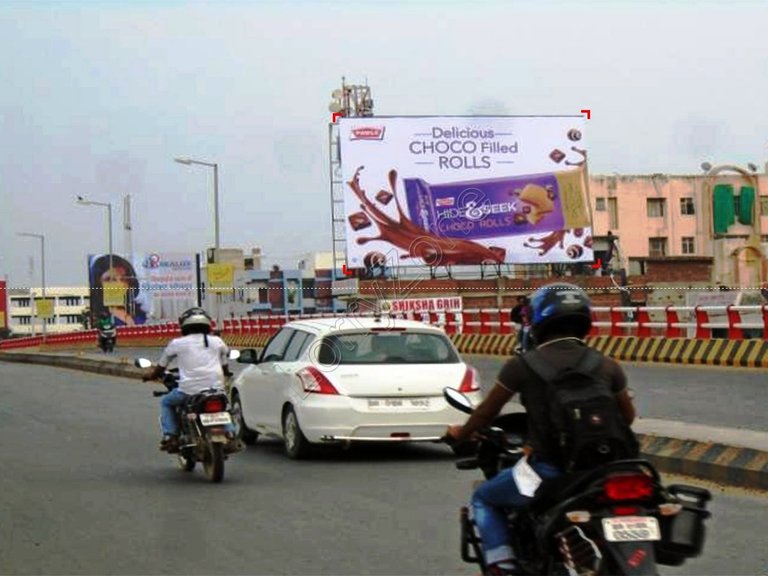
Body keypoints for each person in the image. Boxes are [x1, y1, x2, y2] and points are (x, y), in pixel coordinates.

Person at [446, 283, 636, 576]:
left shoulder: (522, 366)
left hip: (550, 472)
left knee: (484, 497)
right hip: (605, 470)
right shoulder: (607, 365)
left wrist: (463, 433)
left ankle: (503, 565)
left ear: (537, 321)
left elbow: (487, 412)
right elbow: (628, 417)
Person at [144, 307, 234, 452]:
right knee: (225, 406)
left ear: (184, 325)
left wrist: (151, 376)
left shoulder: (177, 344)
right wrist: (226, 373)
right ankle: (230, 432)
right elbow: (225, 365)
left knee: (166, 402)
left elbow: (161, 366)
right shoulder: (217, 341)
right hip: (215, 388)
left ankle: (171, 436)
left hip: (188, 391)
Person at [88, 254, 147, 327]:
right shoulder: (95, 319)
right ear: (98, 284)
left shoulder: (142, 315)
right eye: (110, 279)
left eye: (123, 279)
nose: (118, 284)